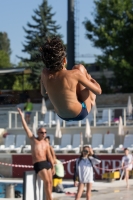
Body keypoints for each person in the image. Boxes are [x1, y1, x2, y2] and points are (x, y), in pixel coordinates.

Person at [40, 37, 102, 122]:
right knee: (79, 67)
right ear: (64, 60)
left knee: (72, 83)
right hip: (80, 113)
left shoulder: (44, 73)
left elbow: (44, 93)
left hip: (61, 115)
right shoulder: (74, 74)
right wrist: (90, 79)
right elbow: (98, 91)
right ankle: (91, 100)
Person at [17, 108, 55, 200]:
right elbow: (26, 128)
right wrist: (22, 116)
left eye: (45, 132)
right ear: (38, 133)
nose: (44, 134)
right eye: (42, 132)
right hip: (38, 163)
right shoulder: (33, 140)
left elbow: (49, 156)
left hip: (47, 163)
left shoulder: (46, 143)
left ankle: (48, 198)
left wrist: (53, 166)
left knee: (50, 183)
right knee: (46, 182)